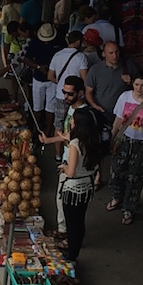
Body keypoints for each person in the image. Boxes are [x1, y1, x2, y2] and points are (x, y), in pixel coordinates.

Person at [107, 73, 143, 225]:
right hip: (124, 139)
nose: (139, 88)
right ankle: (117, 196)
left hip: (142, 144)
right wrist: (112, 138)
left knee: (136, 177)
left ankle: (129, 208)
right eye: (136, 84)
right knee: (116, 171)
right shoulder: (124, 97)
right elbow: (118, 120)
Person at [39, 75, 92, 239]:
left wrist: (67, 167)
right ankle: (64, 231)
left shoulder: (83, 114)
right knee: (61, 202)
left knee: (68, 207)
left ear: (81, 93)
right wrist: (50, 140)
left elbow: (79, 138)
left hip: (75, 165)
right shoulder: (72, 110)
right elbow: (69, 135)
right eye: (64, 92)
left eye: (70, 94)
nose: (66, 97)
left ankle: (67, 236)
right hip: (68, 159)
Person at [55, 108, 100, 261]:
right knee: (80, 222)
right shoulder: (93, 140)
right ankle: (75, 250)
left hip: (72, 189)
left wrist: (64, 167)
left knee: (72, 223)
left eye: (73, 119)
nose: (71, 121)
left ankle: (71, 255)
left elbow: (71, 171)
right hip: (87, 187)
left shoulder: (75, 144)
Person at [47, 31, 89, 158]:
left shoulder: (57, 55)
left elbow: (50, 76)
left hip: (60, 96)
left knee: (58, 126)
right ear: (78, 41)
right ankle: (73, 155)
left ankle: (58, 156)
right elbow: (85, 80)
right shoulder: (81, 57)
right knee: (76, 126)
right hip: (76, 98)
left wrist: (61, 84)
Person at [20, 23, 64, 136]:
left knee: (50, 107)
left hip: (53, 80)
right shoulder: (35, 42)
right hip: (38, 78)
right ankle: (36, 127)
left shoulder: (60, 43)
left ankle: (49, 128)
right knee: (37, 106)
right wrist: (38, 67)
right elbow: (26, 59)